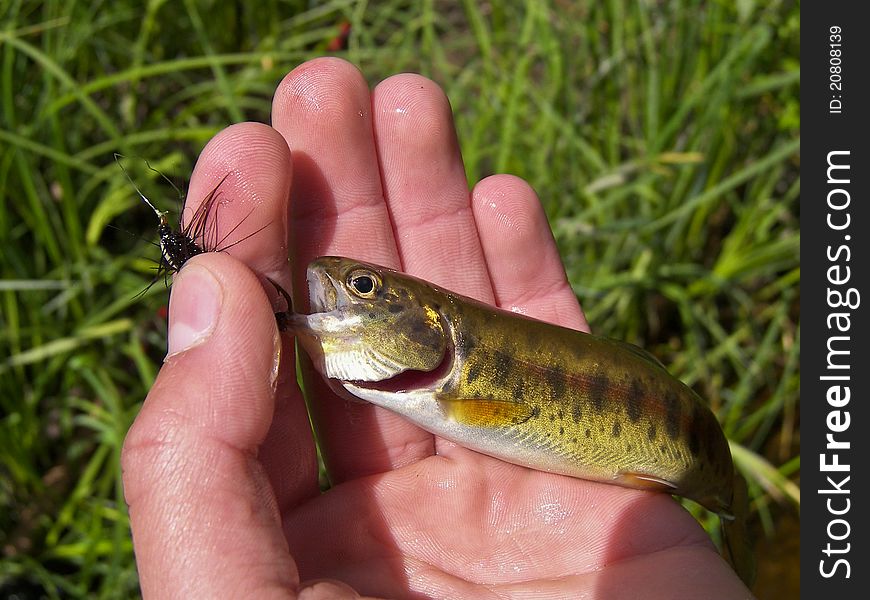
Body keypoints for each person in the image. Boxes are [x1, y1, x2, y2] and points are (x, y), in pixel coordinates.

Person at [121, 58, 754, 599]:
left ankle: (745, 528)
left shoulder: (456, 380)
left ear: (434, 331)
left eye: (366, 289)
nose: (340, 285)